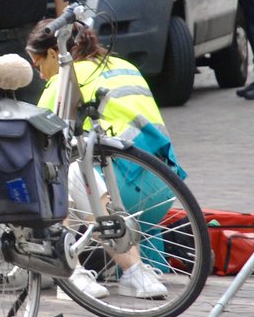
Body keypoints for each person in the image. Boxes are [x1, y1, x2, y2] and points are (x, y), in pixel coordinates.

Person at [26, 20, 174, 300]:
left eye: (37, 64)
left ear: (55, 54)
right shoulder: (124, 66)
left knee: (57, 170)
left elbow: (38, 144)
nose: (41, 75)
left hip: (121, 192)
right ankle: (143, 272)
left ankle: (72, 273)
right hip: (164, 191)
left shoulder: (64, 78)